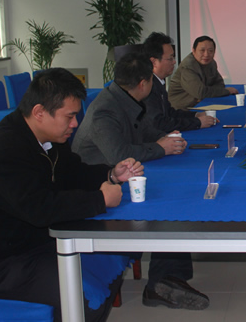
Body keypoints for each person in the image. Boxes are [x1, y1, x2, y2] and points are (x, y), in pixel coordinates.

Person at [0, 68, 143, 322]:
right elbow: (39, 208)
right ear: (39, 112)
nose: (75, 124)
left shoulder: (46, 136)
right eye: (69, 116)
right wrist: (99, 200)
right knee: (83, 298)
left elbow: (73, 172)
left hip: (33, 241)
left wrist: (111, 174)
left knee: (112, 255)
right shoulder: (3, 152)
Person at [72, 53, 210, 311]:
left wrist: (166, 137)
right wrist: (161, 148)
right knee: (168, 201)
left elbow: (144, 130)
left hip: (123, 173)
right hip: (98, 181)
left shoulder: (125, 97)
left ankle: (172, 275)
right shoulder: (105, 110)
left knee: (177, 192)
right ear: (144, 83)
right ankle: (161, 282)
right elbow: (118, 154)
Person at [142, 32, 216, 132]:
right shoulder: (147, 86)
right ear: (154, 62)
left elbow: (170, 113)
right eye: (170, 58)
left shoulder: (158, 81)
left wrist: (195, 115)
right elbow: (160, 123)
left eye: (174, 57)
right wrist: (197, 122)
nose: (174, 62)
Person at [168, 35, 238, 110]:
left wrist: (204, 94)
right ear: (194, 51)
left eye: (210, 51)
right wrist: (226, 91)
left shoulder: (211, 63)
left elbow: (219, 83)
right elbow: (200, 92)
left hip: (201, 103)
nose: (206, 54)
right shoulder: (188, 67)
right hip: (181, 109)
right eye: (202, 50)